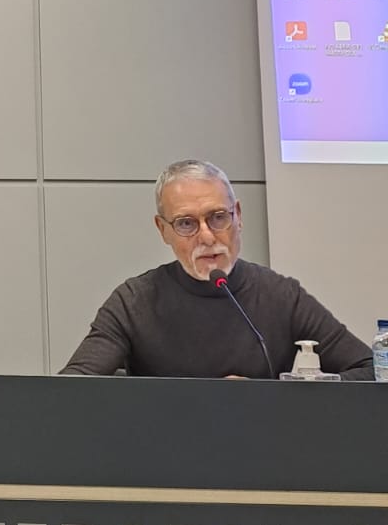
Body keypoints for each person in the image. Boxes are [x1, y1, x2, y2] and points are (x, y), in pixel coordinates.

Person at [60, 158, 373, 379]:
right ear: (163, 230)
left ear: (238, 216)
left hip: (263, 447)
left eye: (218, 217)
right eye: (186, 224)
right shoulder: (134, 302)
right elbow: (73, 387)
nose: (207, 237)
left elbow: (370, 369)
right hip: (165, 449)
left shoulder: (281, 295)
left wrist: (279, 396)